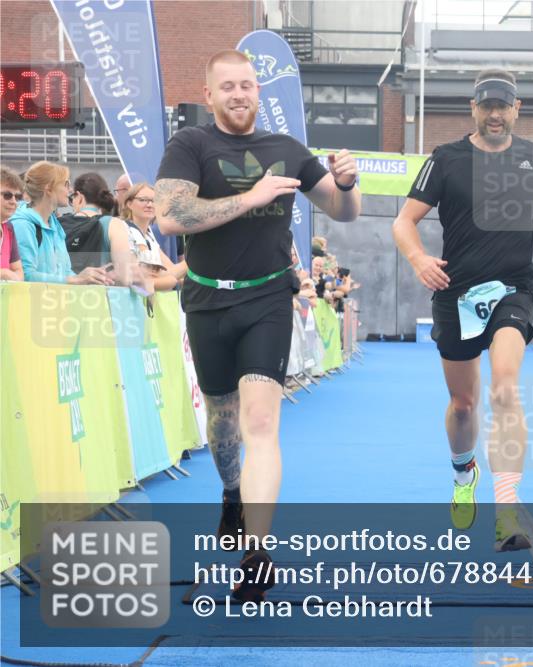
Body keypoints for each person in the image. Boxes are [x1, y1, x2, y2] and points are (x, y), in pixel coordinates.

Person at [154, 49, 361, 602]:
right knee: (222, 425)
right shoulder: (191, 145)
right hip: (206, 300)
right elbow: (170, 216)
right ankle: (230, 492)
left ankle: (256, 551)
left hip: (268, 298)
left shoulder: (287, 151)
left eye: (247, 85)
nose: (239, 94)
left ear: (258, 91)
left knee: (261, 423)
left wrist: (346, 183)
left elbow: (344, 213)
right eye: (228, 87)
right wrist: (252, 196)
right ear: (210, 93)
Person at [392, 69, 533, 551]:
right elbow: (404, 221)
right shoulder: (446, 159)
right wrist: (418, 259)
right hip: (456, 292)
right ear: (473, 109)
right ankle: (464, 473)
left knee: (505, 388)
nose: (496, 115)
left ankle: (507, 513)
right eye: (487, 106)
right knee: (464, 405)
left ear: (517, 109)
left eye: (504, 106)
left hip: (513, 290)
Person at [9, 162, 114, 286]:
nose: (70, 190)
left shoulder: (55, 225)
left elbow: (65, 272)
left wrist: (89, 279)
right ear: (48, 188)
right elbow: (25, 275)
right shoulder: (22, 225)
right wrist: (76, 279)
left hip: (52, 302)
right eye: (66, 184)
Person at [59, 172, 135, 285]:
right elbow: (125, 276)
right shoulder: (113, 224)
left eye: (72, 198)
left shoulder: (57, 223)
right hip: (99, 298)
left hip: (59, 296)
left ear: (79, 196)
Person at [120, 182, 187, 292]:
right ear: (129, 204)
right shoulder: (125, 230)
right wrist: (195, 258)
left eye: (154, 200)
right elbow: (157, 276)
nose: (150, 205)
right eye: (143, 200)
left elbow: (170, 270)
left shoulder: (149, 234)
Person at [1, 166, 25, 281]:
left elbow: (18, 270)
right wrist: (3, 273)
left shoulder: (9, 228)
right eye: (7, 195)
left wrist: (11, 276)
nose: (14, 202)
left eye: (18, 197)